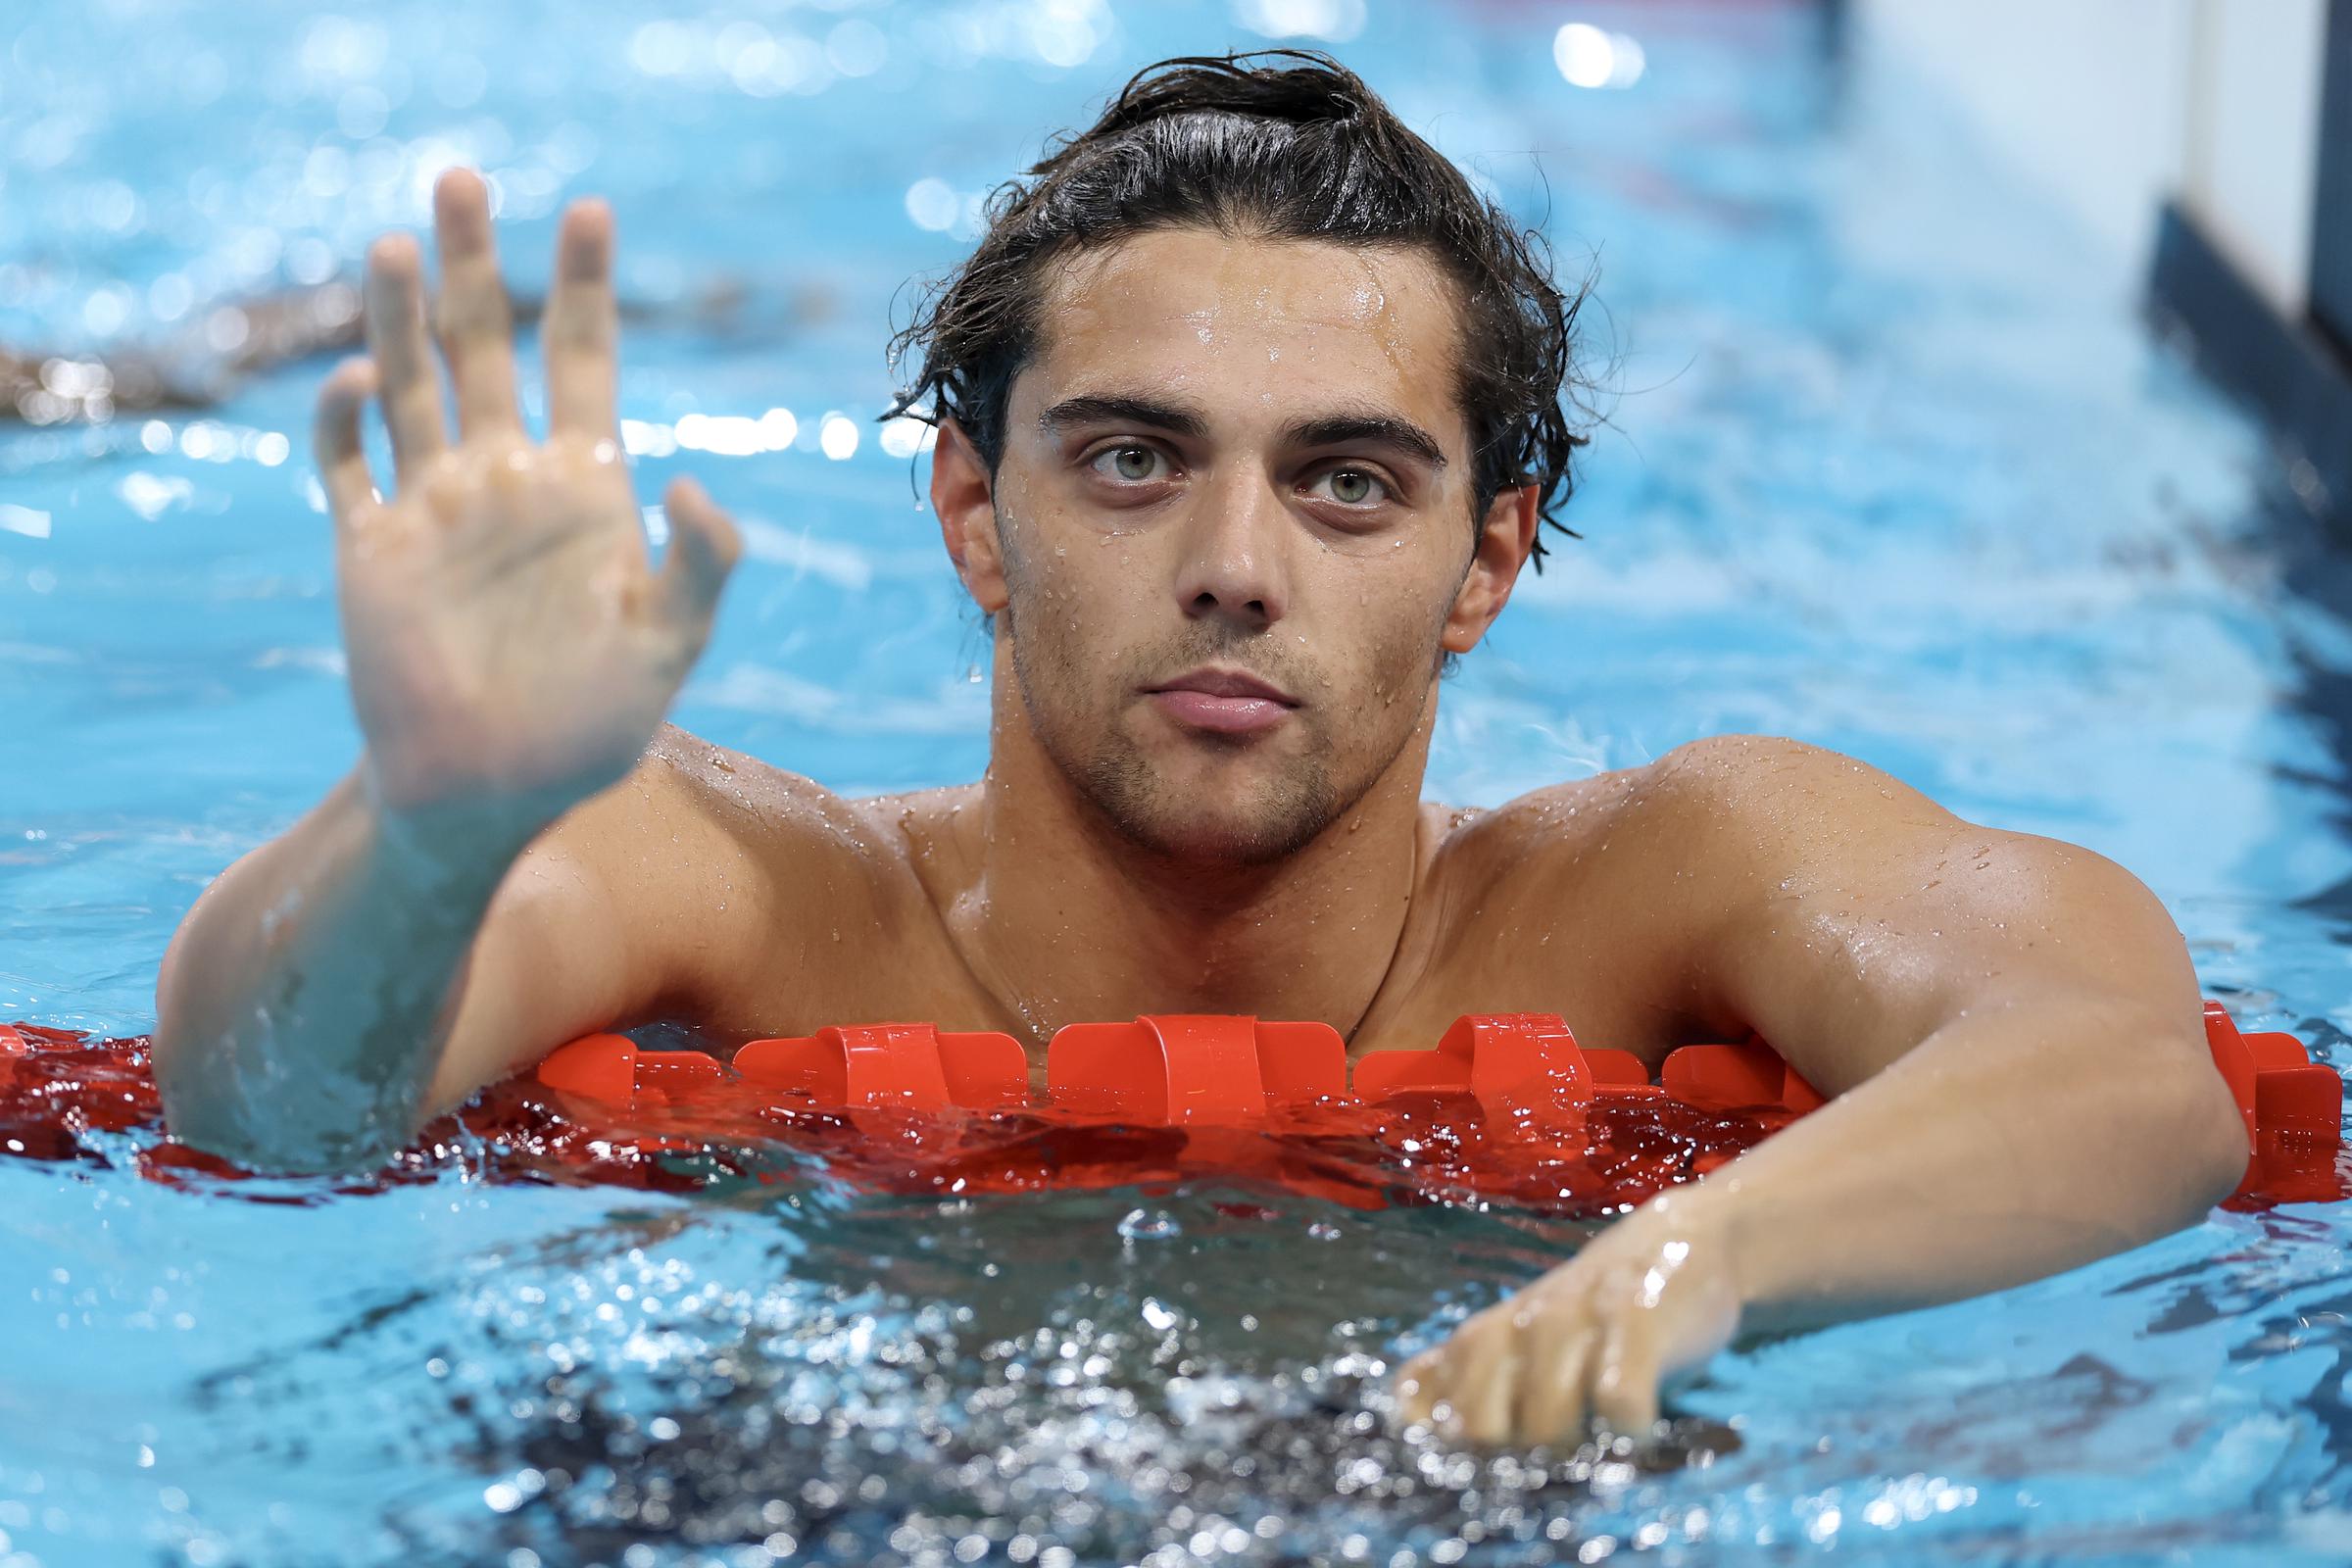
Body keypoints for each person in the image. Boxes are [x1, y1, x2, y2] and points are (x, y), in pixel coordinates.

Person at [149, 50, 2250, 1449]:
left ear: (1487, 554)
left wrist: (1703, 1258)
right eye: (1135, 459)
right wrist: (430, 823)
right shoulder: (723, 883)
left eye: (1347, 482)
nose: (1235, 566)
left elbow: (2131, 1069)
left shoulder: (1665, 882)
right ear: (980, 509)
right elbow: (270, 1108)